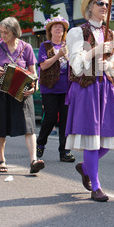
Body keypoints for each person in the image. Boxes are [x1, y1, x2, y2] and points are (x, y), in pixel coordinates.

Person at [65, 0, 114, 202]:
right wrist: (95, 52)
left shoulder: (113, 35)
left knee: (107, 139)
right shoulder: (77, 33)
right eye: (101, 3)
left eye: (108, 5)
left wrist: (109, 65)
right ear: (90, 7)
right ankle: (96, 186)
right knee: (91, 138)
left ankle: (85, 167)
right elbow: (76, 66)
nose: (105, 7)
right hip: (87, 89)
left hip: (106, 89)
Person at [0, 17, 44, 174]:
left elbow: (34, 73)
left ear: (15, 32)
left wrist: (34, 87)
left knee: (29, 126)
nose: (3, 35)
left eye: (6, 32)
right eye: (1, 32)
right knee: (0, 127)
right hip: (0, 93)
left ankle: (33, 161)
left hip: (21, 93)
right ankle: (1, 159)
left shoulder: (26, 48)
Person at [36, 16, 75, 162]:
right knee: (51, 117)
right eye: (55, 27)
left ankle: (64, 152)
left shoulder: (68, 46)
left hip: (66, 88)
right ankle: (40, 143)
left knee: (65, 120)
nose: (58, 29)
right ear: (50, 30)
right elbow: (44, 65)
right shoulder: (45, 46)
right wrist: (58, 55)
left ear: (64, 31)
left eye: (61, 27)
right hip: (50, 87)